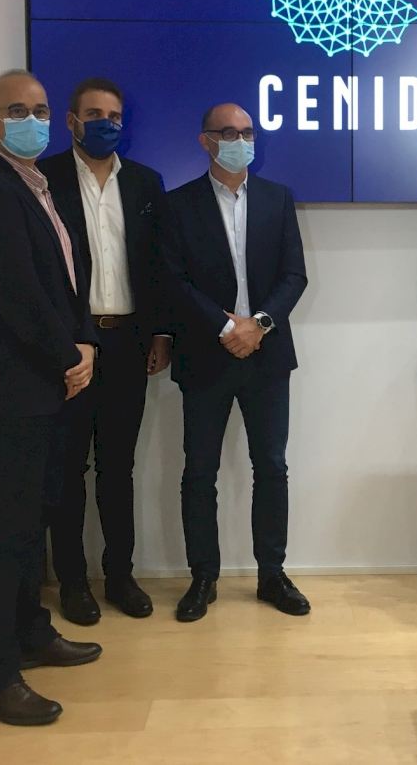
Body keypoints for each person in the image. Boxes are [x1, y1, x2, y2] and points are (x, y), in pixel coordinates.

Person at [0, 69, 102, 726]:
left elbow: (67, 279)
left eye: (40, 110)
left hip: (45, 384)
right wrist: (69, 355)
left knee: (32, 522)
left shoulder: (35, 187)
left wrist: (83, 342)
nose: (32, 121)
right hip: (7, 391)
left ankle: (31, 633)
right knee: (5, 531)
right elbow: (18, 296)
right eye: (17, 110)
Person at [165, 103, 311, 621]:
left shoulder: (277, 198)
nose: (240, 141)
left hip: (267, 356)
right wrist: (227, 327)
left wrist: (259, 324)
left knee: (271, 466)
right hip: (206, 354)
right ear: (205, 141)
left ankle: (272, 574)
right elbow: (173, 280)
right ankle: (203, 577)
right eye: (228, 133)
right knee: (199, 471)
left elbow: (294, 275)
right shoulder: (178, 205)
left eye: (247, 132)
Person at [38, 77, 174, 625]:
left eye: (114, 116)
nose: (106, 123)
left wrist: (161, 333)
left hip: (128, 342)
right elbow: (43, 272)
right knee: (68, 467)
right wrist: (68, 340)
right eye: (94, 114)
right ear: (72, 121)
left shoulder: (144, 182)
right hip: (71, 344)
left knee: (119, 467)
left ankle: (120, 577)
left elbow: (157, 267)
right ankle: (73, 583)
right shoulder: (45, 180)